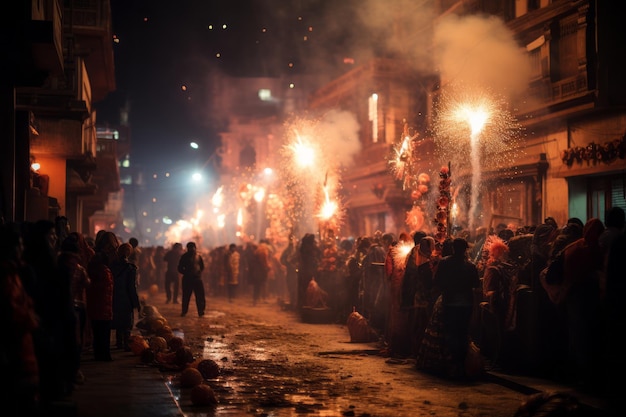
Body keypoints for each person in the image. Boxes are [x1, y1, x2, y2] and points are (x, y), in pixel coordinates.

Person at [418, 237, 479, 378]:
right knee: (462, 334)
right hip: (466, 304)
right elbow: (476, 284)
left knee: (451, 333)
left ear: (453, 248)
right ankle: (461, 365)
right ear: (465, 250)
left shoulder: (445, 263)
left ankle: (453, 366)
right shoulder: (470, 266)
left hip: (450, 302)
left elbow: (437, 281)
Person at [86, 231, 117, 361]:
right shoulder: (104, 271)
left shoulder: (101, 268)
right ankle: (103, 354)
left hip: (100, 303)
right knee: (102, 330)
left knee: (100, 330)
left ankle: (101, 353)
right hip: (103, 304)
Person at [110, 243, 141, 351]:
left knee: (118, 321)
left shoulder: (111, 266)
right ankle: (126, 344)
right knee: (127, 323)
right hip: (126, 299)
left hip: (114, 298)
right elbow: (131, 288)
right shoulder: (130, 268)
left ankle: (119, 342)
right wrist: (137, 303)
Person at [178, 242, 206, 317]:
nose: (192, 249)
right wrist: (187, 273)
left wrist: (198, 273)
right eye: (190, 247)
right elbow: (180, 268)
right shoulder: (184, 257)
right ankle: (184, 311)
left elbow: (202, 267)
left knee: (199, 296)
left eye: (193, 247)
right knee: (186, 296)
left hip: (196, 279)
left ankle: (201, 311)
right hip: (188, 279)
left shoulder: (198, 257)